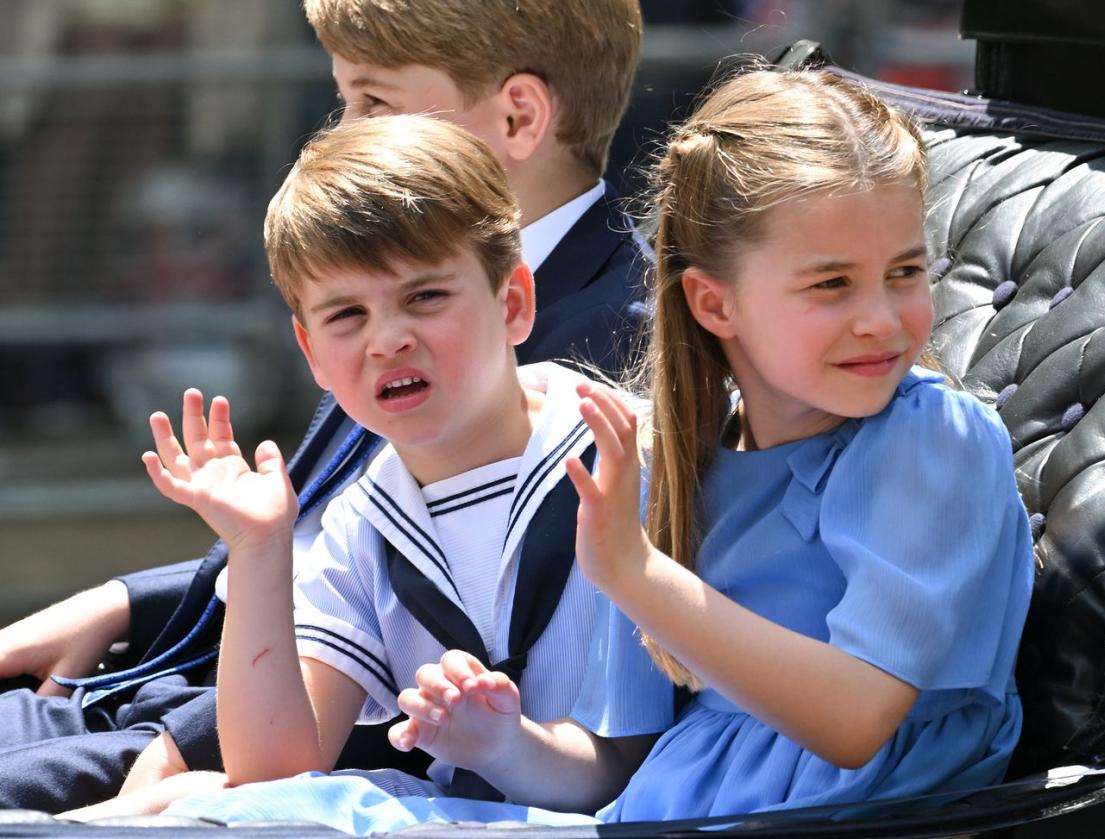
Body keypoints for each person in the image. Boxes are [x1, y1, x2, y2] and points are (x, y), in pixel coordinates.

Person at [161, 66, 1035, 833]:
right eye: (833, 284)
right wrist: (502, 745)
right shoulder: (679, 462)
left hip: (834, 817)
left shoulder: (932, 438)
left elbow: (855, 720)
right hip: (658, 809)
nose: (882, 319)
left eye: (906, 273)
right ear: (715, 303)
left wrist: (634, 572)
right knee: (246, 808)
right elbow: (608, 765)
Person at [0, 0, 646, 812]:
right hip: (208, 690)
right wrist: (129, 597)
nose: (387, 337)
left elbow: (628, 750)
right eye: (345, 318)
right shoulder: (378, 309)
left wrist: (176, 763)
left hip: (323, 758)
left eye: (372, 102)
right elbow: (326, 538)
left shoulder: (632, 361)